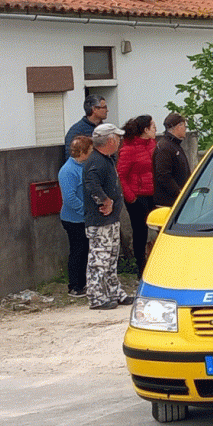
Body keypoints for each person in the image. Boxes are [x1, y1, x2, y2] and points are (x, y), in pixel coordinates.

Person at [82, 123, 133, 311]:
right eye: (118, 138)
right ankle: (96, 297)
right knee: (99, 259)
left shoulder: (107, 159)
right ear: (110, 140)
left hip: (110, 220)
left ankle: (113, 291)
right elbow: (91, 184)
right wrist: (105, 201)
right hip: (100, 221)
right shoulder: (96, 161)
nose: (119, 141)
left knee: (111, 258)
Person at [117, 114, 157, 279]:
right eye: (153, 126)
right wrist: (131, 197)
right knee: (140, 232)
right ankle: (140, 268)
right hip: (137, 195)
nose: (155, 129)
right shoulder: (128, 149)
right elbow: (121, 174)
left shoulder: (152, 144)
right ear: (145, 130)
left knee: (158, 228)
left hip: (153, 193)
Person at [58, 135, 92, 298]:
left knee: (85, 250)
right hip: (74, 219)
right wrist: (85, 211)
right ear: (83, 152)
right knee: (78, 251)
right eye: (90, 150)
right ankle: (75, 285)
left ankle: (83, 283)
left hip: (83, 218)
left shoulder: (82, 166)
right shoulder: (68, 171)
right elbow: (69, 198)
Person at [153, 112, 191, 208]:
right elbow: (163, 175)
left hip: (177, 200)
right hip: (168, 203)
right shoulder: (165, 147)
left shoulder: (174, 145)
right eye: (184, 126)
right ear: (178, 126)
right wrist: (178, 192)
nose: (185, 129)